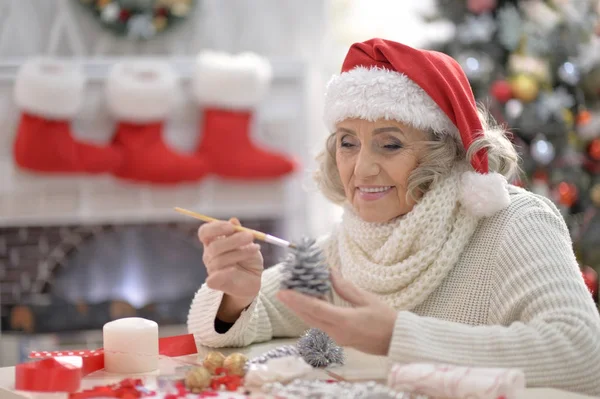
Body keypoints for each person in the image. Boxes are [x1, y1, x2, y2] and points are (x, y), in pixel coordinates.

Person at [187, 38, 600, 395]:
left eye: (389, 145)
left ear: (442, 153)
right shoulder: (349, 244)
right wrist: (236, 296)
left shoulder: (516, 223)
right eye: (348, 143)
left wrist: (395, 336)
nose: (362, 169)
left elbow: (584, 353)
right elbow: (255, 314)